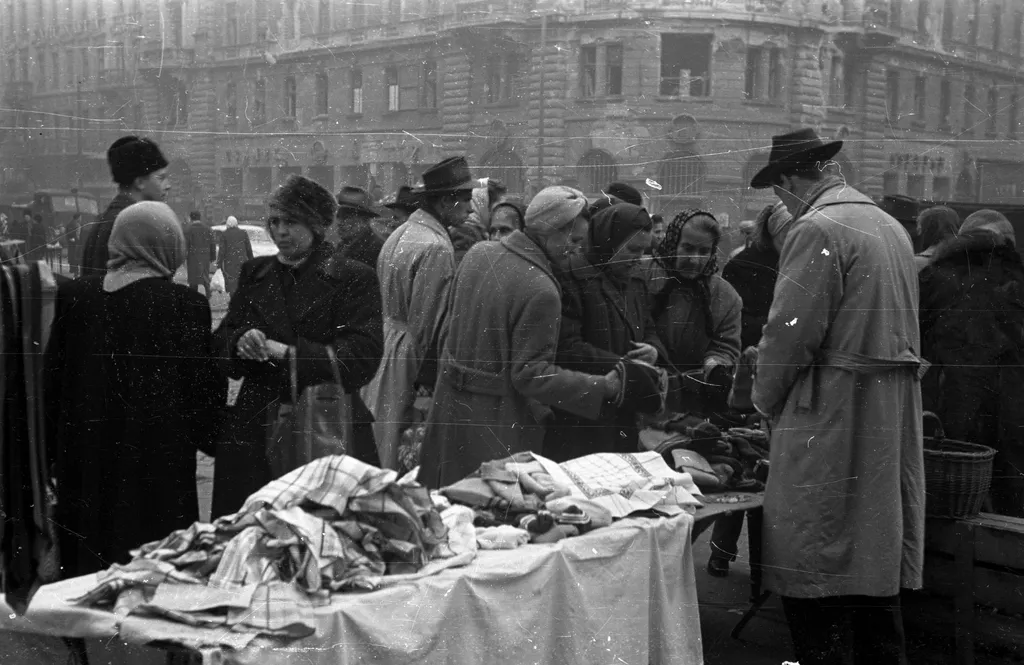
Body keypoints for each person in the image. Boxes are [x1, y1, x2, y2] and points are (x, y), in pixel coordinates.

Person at [749, 128, 926, 665]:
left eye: (779, 193)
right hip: (885, 406)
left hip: (833, 407)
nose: (781, 204)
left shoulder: (818, 225)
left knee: (816, 547)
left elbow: (789, 333)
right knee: (872, 555)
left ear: (792, 180)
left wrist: (763, 399)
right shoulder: (887, 224)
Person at [45, 201, 222, 578]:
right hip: (158, 473)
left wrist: (50, 455)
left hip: (85, 466)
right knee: (154, 580)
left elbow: (53, 385)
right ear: (169, 245)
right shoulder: (187, 306)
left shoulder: (76, 296)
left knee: (84, 579)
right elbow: (203, 398)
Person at [417, 186, 625, 489]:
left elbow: (448, 331)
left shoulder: (478, 254)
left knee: (447, 508)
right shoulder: (542, 289)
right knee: (490, 514)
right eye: (575, 240)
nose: (577, 249)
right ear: (553, 231)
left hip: (449, 409)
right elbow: (531, 375)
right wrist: (601, 387)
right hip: (496, 422)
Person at [212, 175, 384, 518]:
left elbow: (361, 358)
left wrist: (288, 354)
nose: (280, 232)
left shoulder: (353, 277)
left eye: (290, 222)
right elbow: (220, 344)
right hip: (256, 428)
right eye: (274, 222)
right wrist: (240, 340)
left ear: (316, 225)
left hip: (326, 424)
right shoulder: (254, 272)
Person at [363, 157, 472, 470]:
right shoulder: (437, 246)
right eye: (464, 200)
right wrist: (425, 386)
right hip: (408, 355)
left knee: (381, 433)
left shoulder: (403, 232)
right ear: (444, 201)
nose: (470, 209)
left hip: (386, 345)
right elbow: (429, 327)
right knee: (403, 444)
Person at [919, 209, 1024, 517]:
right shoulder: (1016, 279)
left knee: (952, 501)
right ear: (1007, 241)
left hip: (950, 410)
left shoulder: (934, 277)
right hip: (1012, 411)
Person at [706, 201, 791, 578]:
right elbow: (735, 319)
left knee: (762, 462)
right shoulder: (743, 264)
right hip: (747, 369)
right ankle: (721, 552)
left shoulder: (795, 261)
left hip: (776, 368)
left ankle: (762, 560)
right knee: (743, 461)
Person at [543, 202, 666, 462]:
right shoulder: (571, 276)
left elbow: (649, 328)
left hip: (623, 410)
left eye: (644, 251)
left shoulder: (634, 280)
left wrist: (653, 350)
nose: (638, 257)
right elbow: (567, 347)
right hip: (580, 412)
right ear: (608, 242)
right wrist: (625, 367)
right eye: (632, 249)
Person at [644, 209, 742, 417]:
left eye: (703, 251)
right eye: (687, 248)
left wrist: (715, 367)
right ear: (673, 243)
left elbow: (725, 346)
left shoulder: (726, 297)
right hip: (643, 393)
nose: (694, 259)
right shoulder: (642, 277)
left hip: (693, 403)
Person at [79, 136, 170, 277]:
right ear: (140, 182)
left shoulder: (106, 220)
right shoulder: (135, 225)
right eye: (161, 178)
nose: (168, 186)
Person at [329, 185, 386, 269]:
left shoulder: (375, 250)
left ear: (364, 220)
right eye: (338, 216)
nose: (339, 222)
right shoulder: (344, 244)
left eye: (346, 217)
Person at [914, 205, 960, 271]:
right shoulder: (966, 260)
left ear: (925, 230)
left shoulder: (914, 263)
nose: (918, 232)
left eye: (920, 228)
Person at [217, 215, 253, 295]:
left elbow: (222, 251)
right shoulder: (243, 233)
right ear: (236, 223)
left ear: (227, 224)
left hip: (230, 262)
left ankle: (234, 300)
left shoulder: (224, 234)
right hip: (242, 260)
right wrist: (252, 260)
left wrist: (219, 264)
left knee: (232, 282)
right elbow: (248, 249)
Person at [185, 210, 216, 298]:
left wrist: (184, 256)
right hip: (205, 255)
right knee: (204, 275)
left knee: (193, 277)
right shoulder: (207, 228)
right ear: (200, 217)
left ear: (191, 218)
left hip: (193, 256)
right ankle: (208, 293)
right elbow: (212, 243)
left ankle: (193, 295)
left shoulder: (188, 229)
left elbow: (185, 244)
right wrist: (212, 256)